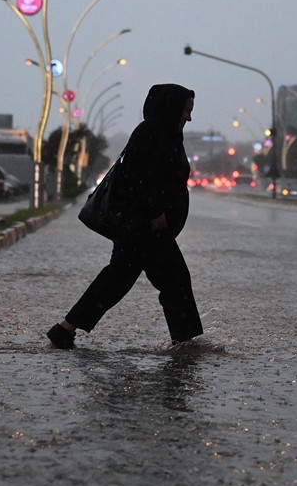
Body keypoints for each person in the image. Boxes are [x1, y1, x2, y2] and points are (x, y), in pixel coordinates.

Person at [48, 83, 203, 349]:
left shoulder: (167, 134)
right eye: (186, 110)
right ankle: (185, 342)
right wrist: (156, 213)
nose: (188, 117)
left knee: (117, 279)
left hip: (141, 226)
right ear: (171, 108)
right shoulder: (151, 134)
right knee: (175, 280)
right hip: (145, 226)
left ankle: (65, 328)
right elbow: (139, 178)